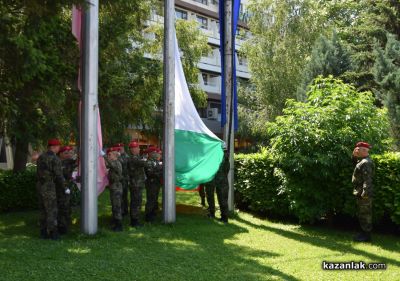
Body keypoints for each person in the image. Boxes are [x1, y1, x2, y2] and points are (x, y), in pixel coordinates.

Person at [36, 138, 66, 240]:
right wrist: (64, 187)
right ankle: (53, 233)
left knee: (43, 209)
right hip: (49, 186)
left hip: (40, 185)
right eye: (58, 146)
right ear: (53, 147)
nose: (59, 148)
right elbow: (59, 175)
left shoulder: (41, 157)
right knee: (52, 209)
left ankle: (43, 232)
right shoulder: (55, 159)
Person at [352, 141, 374, 242]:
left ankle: (366, 236)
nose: (356, 151)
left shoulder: (366, 162)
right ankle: (363, 233)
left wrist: (365, 193)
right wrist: (354, 156)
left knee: (365, 214)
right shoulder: (362, 160)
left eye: (358, 149)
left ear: (364, 150)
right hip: (360, 191)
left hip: (364, 193)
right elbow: (356, 167)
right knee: (362, 214)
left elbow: (367, 179)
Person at [206, 145, 230, 223]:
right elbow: (227, 170)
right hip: (221, 179)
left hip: (213, 178)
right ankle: (224, 217)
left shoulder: (211, 155)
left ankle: (212, 213)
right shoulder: (226, 158)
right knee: (222, 198)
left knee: (212, 196)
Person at [57, 146, 77, 234]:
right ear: (60, 154)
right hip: (59, 187)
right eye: (66, 153)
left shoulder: (69, 162)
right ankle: (61, 226)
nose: (68, 155)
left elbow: (78, 161)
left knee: (67, 205)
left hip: (67, 187)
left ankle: (67, 222)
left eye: (69, 153)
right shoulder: (57, 162)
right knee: (61, 206)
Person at [127, 141, 147, 227]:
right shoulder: (133, 158)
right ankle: (134, 221)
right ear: (133, 149)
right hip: (135, 184)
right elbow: (144, 163)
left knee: (137, 201)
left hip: (138, 183)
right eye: (137, 148)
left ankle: (135, 219)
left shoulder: (136, 158)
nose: (139, 149)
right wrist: (146, 158)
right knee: (136, 202)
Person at [105, 147, 124, 231]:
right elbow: (107, 165)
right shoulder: (114, 162)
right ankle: (115, 222)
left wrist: (104, 156)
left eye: (110, 155)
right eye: (108, 155)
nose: (108, 156)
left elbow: (111, 165)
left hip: (116, 187)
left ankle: (119, 225)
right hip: (114, 187)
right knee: (114, 206)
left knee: (117, 206)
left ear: (115, 155)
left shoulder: (117, 163)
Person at [144, 147, 163, 222]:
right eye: (155, 153)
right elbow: (150, 173)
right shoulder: (148, 162)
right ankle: (148, 216)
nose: (156, 154)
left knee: (154, 199)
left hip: (156, 183)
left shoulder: (155, 161)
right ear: (151, 154)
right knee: (151, 199)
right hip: (151, 183)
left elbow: (158, 169)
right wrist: (160, 173)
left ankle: (153, 213)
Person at [116, 143, 129, 217]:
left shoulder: (125, 156)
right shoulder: (118, 156)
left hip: (124, 178)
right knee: (119, 196)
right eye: (118, 148)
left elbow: (124, 163)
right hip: (119, 179)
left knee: (124, 195)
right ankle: (121, 210)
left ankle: (125, 210)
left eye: (121, 148)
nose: (120, 149)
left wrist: (119, 155)